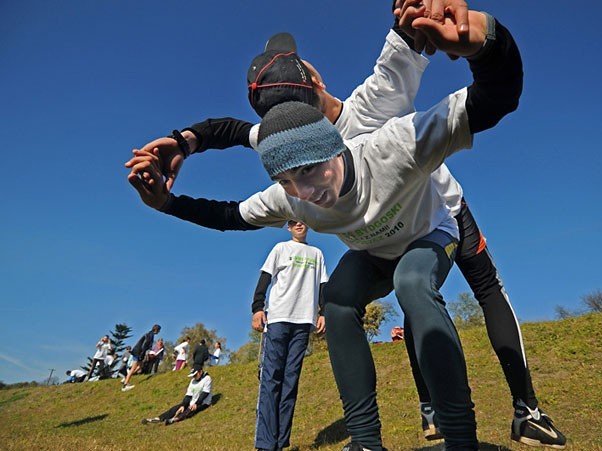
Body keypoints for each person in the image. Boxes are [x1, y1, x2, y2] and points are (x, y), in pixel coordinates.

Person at [129, 2, 565, 448]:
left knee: (422, 286)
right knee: (336, 300)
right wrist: (175, 173)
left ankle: (484, 425)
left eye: (311, 167)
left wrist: (486, 39)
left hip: (434, 220)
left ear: (319, 109)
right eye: (286, 176)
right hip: (375, 247)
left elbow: (483, 88)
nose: (305, 189)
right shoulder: (288, 159)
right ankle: (365, 439)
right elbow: (232, 183)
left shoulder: (389, 134)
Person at [250, 220, 328, 451]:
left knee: (290, 382)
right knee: (271, 379)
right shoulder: (280, 249)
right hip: (278, 320)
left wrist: (323, 313)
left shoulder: (317, 254)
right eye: (293, 222)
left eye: (302, 220)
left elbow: (323, 286)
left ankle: (281, 442)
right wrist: (257, 308)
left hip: (303, 322)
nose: (299, 224)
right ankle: (265, 443)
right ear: (288, 227)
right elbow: (264, 279)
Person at [141, 363, 213, 426]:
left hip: (203, 403)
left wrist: (197, 403)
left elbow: (205, 393)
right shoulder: (193, 381)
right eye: (193, 376)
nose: (194, 377)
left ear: (200, 372)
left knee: (190, 411)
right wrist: (183, 405)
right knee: (176, 408)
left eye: (195, 375)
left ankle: (175, 419)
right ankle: (159, 418)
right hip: (192, 402)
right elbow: (188, 395)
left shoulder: (207, 379)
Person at [122, 324, 161, 391]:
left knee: (140, 366)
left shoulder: (150, 334)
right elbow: (144, 345)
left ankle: (127, 377)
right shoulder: (150, 335)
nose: (159, 332)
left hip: (138, 352)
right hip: (138, 352)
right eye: (159, 330)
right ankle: (125, 385)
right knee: (133, 368)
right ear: (157, 330)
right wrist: (142, 354)